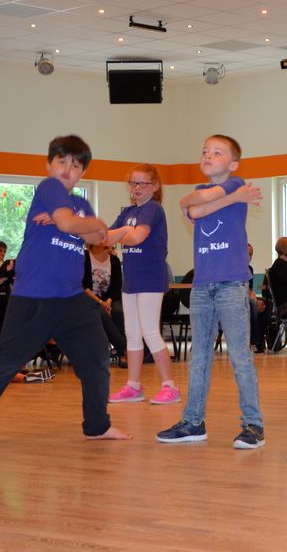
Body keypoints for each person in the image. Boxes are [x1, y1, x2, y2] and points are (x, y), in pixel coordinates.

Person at [0, 135, 130, 449]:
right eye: (61, 162)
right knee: (3, 363)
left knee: (96, 359)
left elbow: (100, 237)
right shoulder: (49, 188)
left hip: (72, 300)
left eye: (76, 165)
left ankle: (97, 426)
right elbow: (74, 227)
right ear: (48, 165)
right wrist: (80, 224)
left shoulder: (81, 205)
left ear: (83, 172)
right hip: (34, 298)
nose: (67, 169)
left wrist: (87, 224)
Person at [156, 135, 265, 449]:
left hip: (231, 284)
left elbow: (198, 207)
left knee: (240, 356)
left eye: (217, 153)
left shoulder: (236, 183)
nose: (208, 155)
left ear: (233, 164)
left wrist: (220, 199)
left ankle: (253, 425)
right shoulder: (210, 191)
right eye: (205, 151)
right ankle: (193, 421)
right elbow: (188, 207)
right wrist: (232, 200)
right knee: (198, 357)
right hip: (202, 285)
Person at [106, 164, 178, 405]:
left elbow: (137, 237)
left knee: (150, 332)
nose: (137, 188)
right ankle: (133, 385)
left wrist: (123, 232)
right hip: (131, 280)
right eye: (133, 183)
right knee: (132, 334)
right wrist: (124, 230)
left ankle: (170, 386)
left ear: (154, 186)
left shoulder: (153, 209)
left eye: (143, 183)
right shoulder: (128, 212)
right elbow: (106, 238)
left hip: (150, 278)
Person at [83, 241, 127, 364]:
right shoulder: (84, 257)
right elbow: (83, 286)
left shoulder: (114, 260)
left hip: (110, 299)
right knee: (102, 314)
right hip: (90, 299)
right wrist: (101, 302)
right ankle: (124, 350)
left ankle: (123, 352)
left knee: (118, 311)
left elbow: (117, 286)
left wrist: (108, 301)